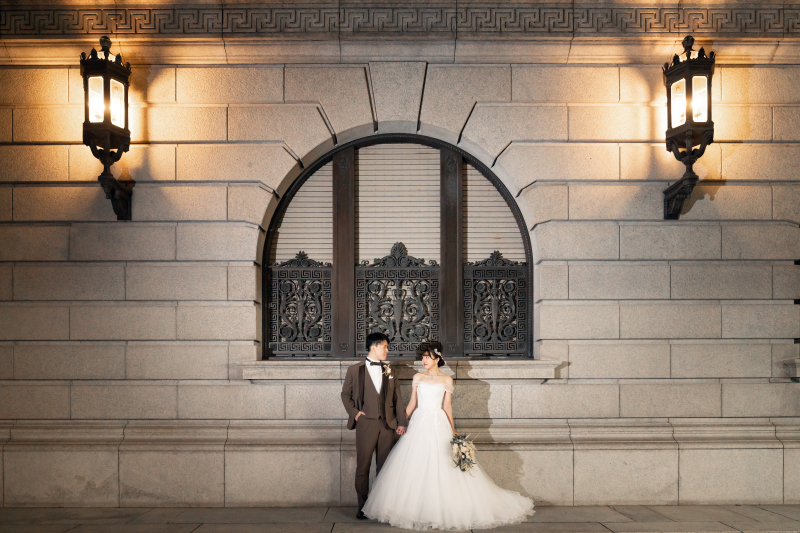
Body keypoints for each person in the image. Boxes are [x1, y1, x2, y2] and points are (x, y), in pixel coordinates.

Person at [361, 346, 535, 531]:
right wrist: (402, 422)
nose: (424, 361)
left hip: (438, 422)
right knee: (416, 462)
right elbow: (412, 402)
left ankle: (443, 509)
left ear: (437, 359)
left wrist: (453, 431)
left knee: (442, 463)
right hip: (419, 421)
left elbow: (447, 406)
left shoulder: (446, 379)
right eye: (423, 357)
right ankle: (417, 509)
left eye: (428, 357)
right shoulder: (418, 377)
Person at [340, 332, 408, 520]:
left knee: (385, 467)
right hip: (366, 424)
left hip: (387, 424)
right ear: (374, 347)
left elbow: (398, 399)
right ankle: (362, 507)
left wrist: (402, 422)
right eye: (384, 346)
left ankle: (381, 507)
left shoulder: (390, 370)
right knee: (363, 466)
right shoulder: (355, 370)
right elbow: (345, 395)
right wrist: (355, 413)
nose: (387, 350)